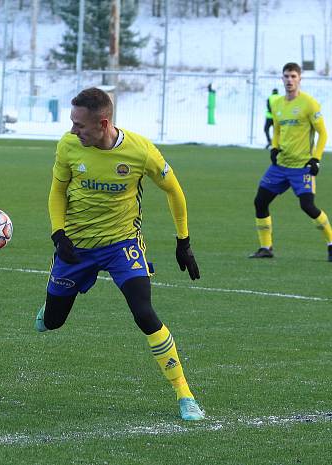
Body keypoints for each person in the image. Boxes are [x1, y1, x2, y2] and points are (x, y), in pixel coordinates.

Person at [34, 87, 205, 421]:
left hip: (122, 245)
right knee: (52, 323)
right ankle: (49, 307)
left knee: (144, 312)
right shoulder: (68, 146)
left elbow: (174, 189)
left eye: (80, 125)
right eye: (72, 123)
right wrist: (58, 233)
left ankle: (185, 395)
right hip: (77, 246)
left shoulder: (141, 152)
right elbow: (57, 191)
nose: (73, 130)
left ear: (103, 122)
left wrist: (183, 241)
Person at [249, 62, 332, 261]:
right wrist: (274, 146)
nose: (289, 80)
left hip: (302, 167)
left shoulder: (310, 103)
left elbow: (323, 133)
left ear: (300, 79)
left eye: (293, 77)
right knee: (260, 202)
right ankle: (266, 247)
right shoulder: (277, 104)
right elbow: (278, 129)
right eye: (286, 76)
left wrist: (316, 159)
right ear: (282, 79)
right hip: (280, 165)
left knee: (307, 206)